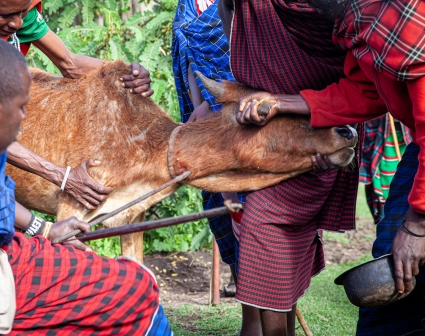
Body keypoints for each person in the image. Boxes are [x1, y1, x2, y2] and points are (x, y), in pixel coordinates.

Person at [0, 31, 171, 335]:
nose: (25, 119)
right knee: (134, 297)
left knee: (137, 284)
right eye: (22, 108)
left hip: (3, 263)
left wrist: (47, 230)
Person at [235, 0, 425, 334]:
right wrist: (281, 102)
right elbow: (365, 91)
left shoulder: (405, 20)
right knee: (393, 269)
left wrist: (417, 227)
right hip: (420, 146)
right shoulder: (362, 21)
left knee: (404, 258)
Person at [0, 0, 154, 210]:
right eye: (6, 15)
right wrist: (61, 176)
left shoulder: (15, 10)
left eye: (23, 12)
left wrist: (123, 74)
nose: (17, 23)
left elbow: (70, 63)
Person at [217, 0, 361, 334]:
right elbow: (229, 10)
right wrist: (250, 80)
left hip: (326, 124)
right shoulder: (250, 9)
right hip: (268, 127)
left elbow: (362, 87)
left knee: (264, 226)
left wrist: (285, 103)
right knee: (265, 235)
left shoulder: (354, 13)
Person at [171, 0, 241, 294]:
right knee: (228, 210)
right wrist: (201, 106)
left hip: (249, 114)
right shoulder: (187, 5)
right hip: (210, 124)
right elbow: (188, 56)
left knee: (261, 220)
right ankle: (250, 316)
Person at [360, 115, 411, 223]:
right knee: (384, 193)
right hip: (381, 144)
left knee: (406, 189)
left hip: (406, 141)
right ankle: (384, 223)